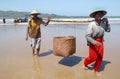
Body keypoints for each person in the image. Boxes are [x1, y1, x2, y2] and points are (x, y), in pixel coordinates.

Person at [83, 9, 111, 76]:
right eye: (98, 14)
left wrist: (107, 23)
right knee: (93, 57)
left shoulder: (103, 23)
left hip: (101, 42)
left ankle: (95, 70)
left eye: (100, 14)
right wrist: (95, 42)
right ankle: (85, 64)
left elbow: (108, 30)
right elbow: (87, 36)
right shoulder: (91, 24)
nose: (99, 16)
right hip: (93, 41)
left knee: (100, 57)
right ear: (94, 16)